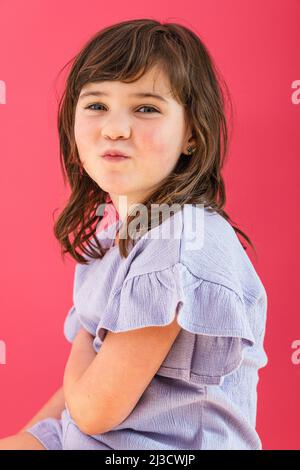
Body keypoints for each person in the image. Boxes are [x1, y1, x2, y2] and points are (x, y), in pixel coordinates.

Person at [0, 18, 268, 450]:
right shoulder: (120, 235)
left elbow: (92, 409)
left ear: (192, 136)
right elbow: (75, 406)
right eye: (96, 106)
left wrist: (86, 334)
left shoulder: (181, 240)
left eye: (145, 108)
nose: (115, 128)